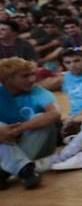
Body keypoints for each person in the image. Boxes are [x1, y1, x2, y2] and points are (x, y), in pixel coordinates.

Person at [0, 56, 60, 189]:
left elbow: (54, 114)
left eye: (32, 75)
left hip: (36, 145)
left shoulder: (38, 92)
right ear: (8, 79)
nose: (32, 79)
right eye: (25, 76)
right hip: (8, 145)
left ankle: (5, 170)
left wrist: (18, 129)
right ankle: (23, 169)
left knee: (41, 118)